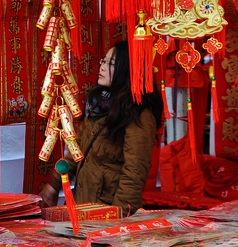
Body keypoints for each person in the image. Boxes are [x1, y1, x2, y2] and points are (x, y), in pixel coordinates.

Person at [39, 40, 163, 216]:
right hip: (83, 205)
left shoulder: (139, 114)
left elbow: (134, 173)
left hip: (107, 211)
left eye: (111, 63)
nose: (102, 67)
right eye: (103, 61)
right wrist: (55, 184)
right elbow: (77, 149)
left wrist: (118, 215)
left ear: (127, 71)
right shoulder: (99, 104)